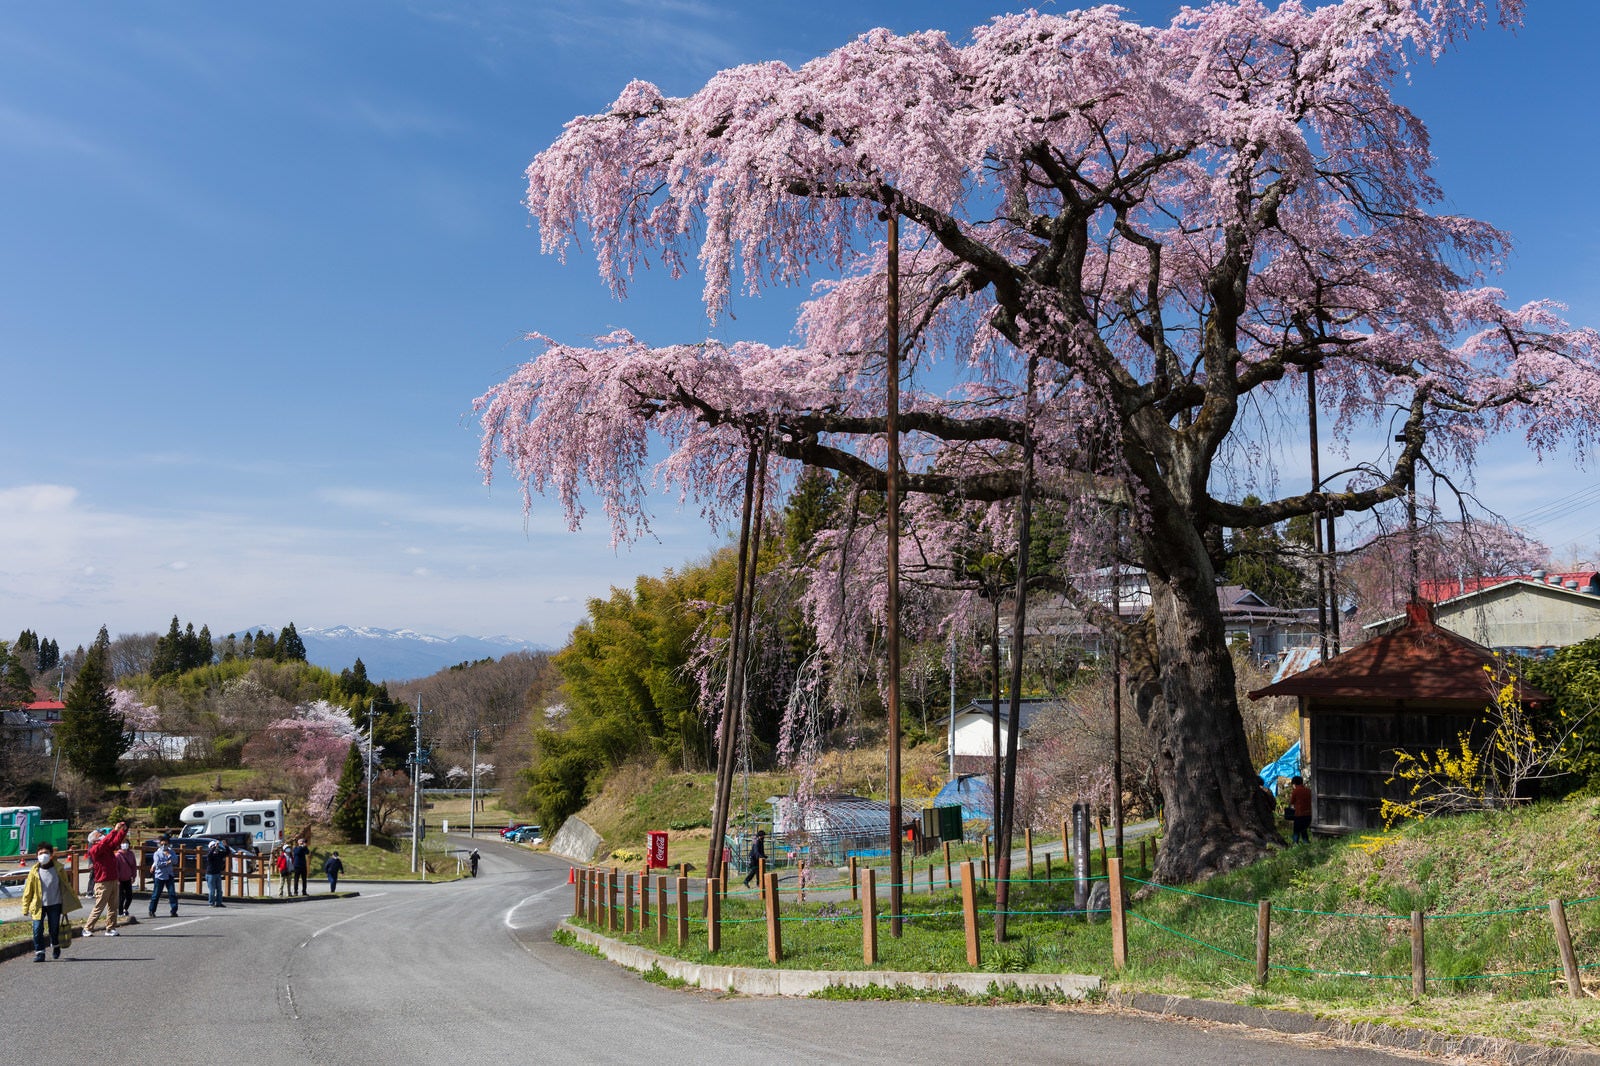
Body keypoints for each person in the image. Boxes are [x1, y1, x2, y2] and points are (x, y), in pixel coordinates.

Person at [23, 844, 80, 961]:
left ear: (51, 855)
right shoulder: (34, 871)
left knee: (54, 929)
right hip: (38, 905)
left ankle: (55, 945)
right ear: (36, 856)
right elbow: (28, 891)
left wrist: (69, 903)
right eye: (40, 854)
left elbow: (66, 887)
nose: (43, 856)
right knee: (37, 929)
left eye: (46, 853)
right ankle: (40, 952)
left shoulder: (58, 869)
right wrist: (25, 907)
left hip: (55, 904)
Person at [82, 821, 128, 936]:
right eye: (99, 835)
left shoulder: (106, 847)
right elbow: (106, 841)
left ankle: (110, 928)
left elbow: (116, 841)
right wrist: (115, 830)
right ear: (94, 840)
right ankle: (87, 928)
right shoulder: (94, 850)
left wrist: (123, 831)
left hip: (113, 879)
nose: (102, 835)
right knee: (99, 907)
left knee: (113, 906)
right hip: (102, 882)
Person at [147, 835, 179, 918]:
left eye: (166, 844)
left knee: (172, 893)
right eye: (162, 844)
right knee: (156, 894)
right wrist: (167, 863)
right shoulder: (157, 853)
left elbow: (175, 861)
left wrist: (169, 856)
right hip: (160, 876)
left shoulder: (171, 852)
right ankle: (152, 910)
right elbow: (158, 864)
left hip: (169, 875)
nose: (164, 846)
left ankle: (174, 911)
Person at [115, 840, 140, 924]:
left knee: (129, 896)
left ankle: (125, 909)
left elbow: (133, 866)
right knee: (121, 897)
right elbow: (116, 869)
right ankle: (120, 912)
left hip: (128, 878)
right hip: (120, 879)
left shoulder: (131, 854)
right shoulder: (118, 855)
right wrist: (117, 879)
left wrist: (134, 876)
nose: (125, 845)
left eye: (126, 844)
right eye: (123, 844)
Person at [1289, 775, 1313, 844]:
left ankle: (1295, 844)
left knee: (1296, 830)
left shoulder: (1296, 791)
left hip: (1299, 814)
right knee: (1304, 830)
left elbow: (1291, 802)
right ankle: (1306, 843)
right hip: (1309, 814)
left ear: (1294, 784)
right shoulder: (1308, 790)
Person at [204, 841, 228, 906]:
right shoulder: (210, 855)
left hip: (217, 874)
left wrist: (225, 846)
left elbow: (227, 853)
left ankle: (219, 903)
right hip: (210, 874)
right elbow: (210, 855)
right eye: (213, 846)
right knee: (212, 890)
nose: (216, 847)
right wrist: (214, 847)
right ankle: (211, 903)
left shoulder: (219, 854)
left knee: (219, 890)